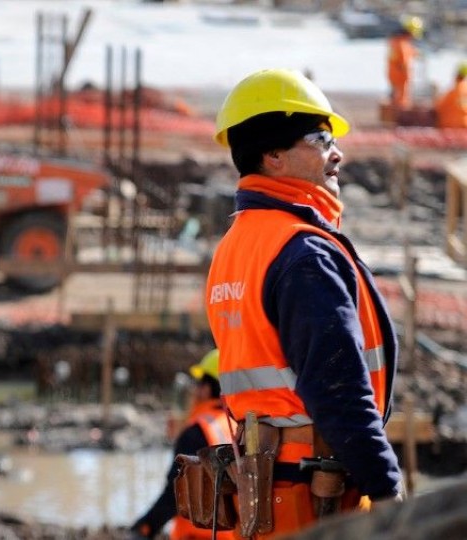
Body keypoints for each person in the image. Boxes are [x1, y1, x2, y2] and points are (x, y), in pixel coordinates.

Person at [206, 68, 403, 538]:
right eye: (320, 138)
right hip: (314, 491)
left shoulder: (238, 243)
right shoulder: (302, 253)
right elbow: (339, 392)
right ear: (272, 154)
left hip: (265, 487)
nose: (338, 153)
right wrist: (390, 490)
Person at [131, 349, 232, 540]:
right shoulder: (235, 427)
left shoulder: (196, 432)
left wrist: (145, 527)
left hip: (196, 536)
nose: (195, 390)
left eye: (199, 383)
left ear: (206, 389)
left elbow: (175, 495)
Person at [387, 15, 422, 109]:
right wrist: (408, 75)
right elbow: (404, 61)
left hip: (394, 76)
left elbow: (407, 52)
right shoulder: (402, 44)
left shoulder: (397, 41)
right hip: (400, 77)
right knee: (401, 102)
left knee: (396, 98)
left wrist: (415, 53)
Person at [435, 62, 467, 129]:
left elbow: (439, 107)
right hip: (463, 125)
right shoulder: (462, 90)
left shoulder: (452, 92)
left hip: (449, 126)